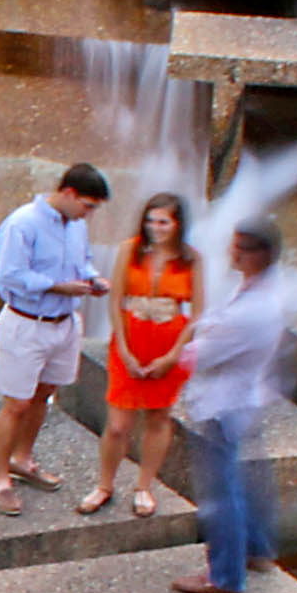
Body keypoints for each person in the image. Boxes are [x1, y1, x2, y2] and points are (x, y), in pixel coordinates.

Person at [170, 212, 297, 593]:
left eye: (241, 249)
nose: (233, 254)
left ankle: (225, 576)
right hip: (246, 400)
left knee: (219, 494)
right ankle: (258, 550)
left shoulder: (251, 311)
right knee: (242, 482)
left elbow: (199, 357)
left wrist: (170, 349)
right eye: (234, 245)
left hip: (224, 405)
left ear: (261, 255)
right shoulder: (260, 292)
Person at [0, 162, 112, 510]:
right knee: (16, 403)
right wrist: (58, 286)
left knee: (44, 394)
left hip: (63, 321)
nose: (89, 215)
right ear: (69, 193)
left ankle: (22, 460)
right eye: (88, 206)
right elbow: (10, 275)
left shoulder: (75, 226)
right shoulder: (22, 223)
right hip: (26, 322)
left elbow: (82, 263)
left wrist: (93, 279)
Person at [76, 189, 195, 520]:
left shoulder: (192, 259)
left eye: (163, 222)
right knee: (117, 424)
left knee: (158, 417)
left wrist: (172, 356)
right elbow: (115, 301)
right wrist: (125, 350)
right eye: (151, 221)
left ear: (177, 225)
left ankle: (145, 486)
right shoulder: (130, 250)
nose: (156, 228)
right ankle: (104, 485)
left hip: (169, 342)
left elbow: (198, 312)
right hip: (132, 336)